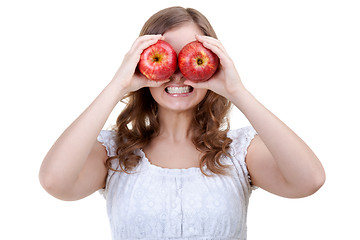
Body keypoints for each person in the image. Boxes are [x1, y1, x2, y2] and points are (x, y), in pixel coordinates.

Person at [39, 6, 326, 240]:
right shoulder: (115, 154)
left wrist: (237, 91)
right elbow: (54, 182)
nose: (177, 74)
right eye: (165, 57)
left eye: (191, 57)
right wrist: (118, 85)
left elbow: (309, 181)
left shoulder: (238, 152)